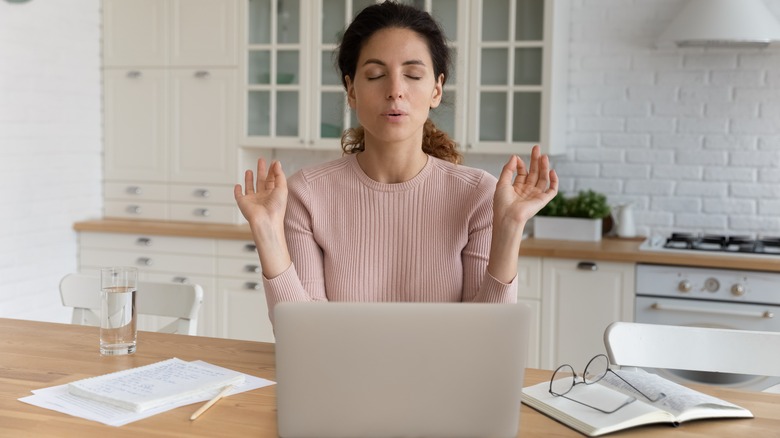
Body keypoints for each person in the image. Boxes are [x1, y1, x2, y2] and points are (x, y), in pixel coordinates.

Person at [234, 1, 558, 325]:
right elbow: (302, 334)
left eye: (413, 75)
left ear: (436, 89)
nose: (395, 91)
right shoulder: (307, 194)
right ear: (351, 90)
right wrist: (266, 231)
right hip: (343, 375)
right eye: (375, 75)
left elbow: (489, 338)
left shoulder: (478, 196)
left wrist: (511, 226)